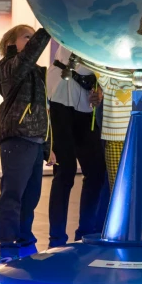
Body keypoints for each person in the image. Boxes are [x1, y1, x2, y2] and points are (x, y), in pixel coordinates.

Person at [0, 25, 51, 264]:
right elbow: (30, 54)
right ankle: (7, 245)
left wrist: (48, 147)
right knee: (13, 195)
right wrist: (48, 23)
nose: (32, 39)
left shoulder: (33, 71)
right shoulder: (8, 68)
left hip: (36, 141)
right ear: (11, 43)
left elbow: (43, 111)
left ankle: (25, 241)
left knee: (31, 197)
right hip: (18, 139)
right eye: (26, 36)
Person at [47, 45, 106, 248]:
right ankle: (56, 240)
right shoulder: (71, 22)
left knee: (97, 172)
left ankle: (86, 234)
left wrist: (100, 91)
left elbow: (101, 74)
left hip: (85, 109)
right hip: (59, 102)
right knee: (64, 172)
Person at [97, 73, 133, 191]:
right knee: (117, 188)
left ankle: (136, 209)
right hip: (114, 140)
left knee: (136, 184)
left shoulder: (137, 79)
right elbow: (97, 65)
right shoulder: (108, 81)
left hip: (134, 139)